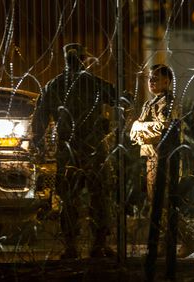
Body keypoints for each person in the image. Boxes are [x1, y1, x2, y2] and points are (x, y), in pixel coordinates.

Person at [31, 43, 118, 258]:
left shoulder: (53, 85)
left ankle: (71, 246)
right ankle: (98, 244)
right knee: (98, 195)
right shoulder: (93, 83)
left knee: (70, 197)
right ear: (82, 59)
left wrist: (37, 141)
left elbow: (40, 118)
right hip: (92, 147)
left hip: (68, 148)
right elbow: (118, 98)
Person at [130, 64, 194, 259]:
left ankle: (187, 239)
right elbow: (133, 132)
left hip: (164, 158)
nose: (151, 82)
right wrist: (140, 128)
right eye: (150, 78)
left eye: (156, 78)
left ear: (167, 81)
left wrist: (140, 127)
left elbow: (162, 128)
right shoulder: (150, 103)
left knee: (164, 201)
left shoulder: (167, 103)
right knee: (157, 201)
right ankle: (164, 243)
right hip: (152, 155)